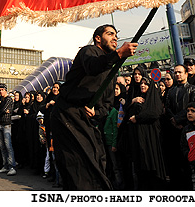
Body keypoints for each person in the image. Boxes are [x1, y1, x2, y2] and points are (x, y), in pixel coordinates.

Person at [50, 24, 137, 191]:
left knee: (97, 162)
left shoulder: (112, 72)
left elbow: (107, 105)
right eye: (110, 34)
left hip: (87, 122)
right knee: (78, 166)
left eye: (116, 35)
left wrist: (96, 112)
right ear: (98, 38)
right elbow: (93, 66)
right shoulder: (88, 52)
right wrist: (118, 54)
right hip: (67, 115)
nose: (115, 38)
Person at [118, 75, 166, 190]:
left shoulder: (153, 99)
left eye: (145, 84)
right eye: (141, 84)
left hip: (151, 137)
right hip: (139, 137)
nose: (142, 85)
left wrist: (138, 118)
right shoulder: (138, 98)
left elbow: (154, 113)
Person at [164, 64, 195, 190]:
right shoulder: (171, 91)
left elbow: (192, 106)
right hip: (173, 130)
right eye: (175, 72)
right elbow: (167, 107)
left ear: (186, 74)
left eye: (180, 72)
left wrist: (178, 119)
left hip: (188, 128)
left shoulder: (193, 89)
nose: (177, 74)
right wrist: (173, 120)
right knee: (175, 161)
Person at [180, 102, 195, 190]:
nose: (189, 113)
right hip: (194, 165)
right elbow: (184, 146)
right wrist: (189, 156)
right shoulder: (186, 130)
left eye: (193, 111)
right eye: (188, 111)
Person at [0, 83, 17, 176]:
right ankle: (5, 165)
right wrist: (0, 112)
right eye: (0, 90)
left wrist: (0, 112)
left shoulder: (8, 99)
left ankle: (12, 166)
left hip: (6, 125)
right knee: (2, 146)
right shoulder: (2, 100)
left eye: (2, 90)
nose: (1, 91)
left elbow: (2, 110)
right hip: (0, 124)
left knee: (8, 146)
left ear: (5, 90)